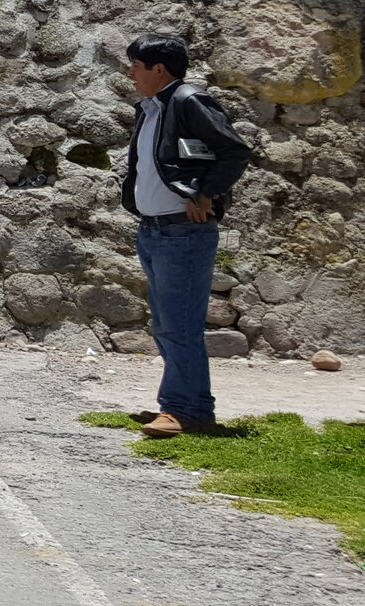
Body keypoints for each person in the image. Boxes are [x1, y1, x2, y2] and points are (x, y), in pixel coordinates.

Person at [120, 33, 253, 439]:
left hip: (183, 232)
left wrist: (206, 192)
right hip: (155, 230)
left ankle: (188, 410)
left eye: (136, 66)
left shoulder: (188, 101)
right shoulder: (151, 108)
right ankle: (179, 404)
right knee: (166, 323)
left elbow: (234, 150)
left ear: (158, 69)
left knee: (179, 324)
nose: (131, 73)